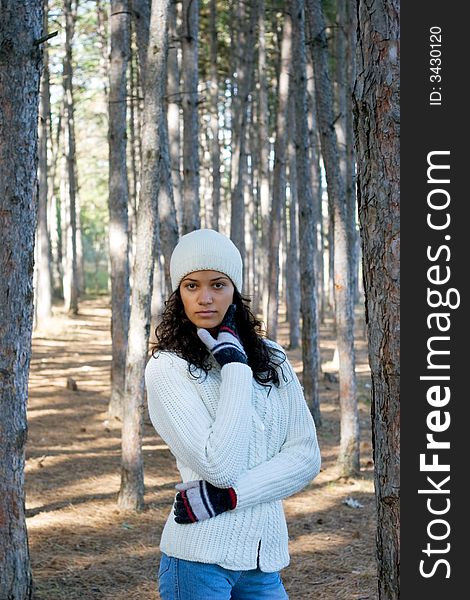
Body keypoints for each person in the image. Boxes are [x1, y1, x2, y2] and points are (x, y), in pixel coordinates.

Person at [145, 228, 321, 600]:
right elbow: (219, 465)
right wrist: (235, 368)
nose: (205, 298)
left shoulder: (272, 358)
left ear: (235, 291)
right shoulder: (167, 367)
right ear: (179, 293)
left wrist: (228, 498)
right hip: (197, 562)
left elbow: (306, 457)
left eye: (218, 284)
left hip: (262, 561)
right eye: (191, 286)